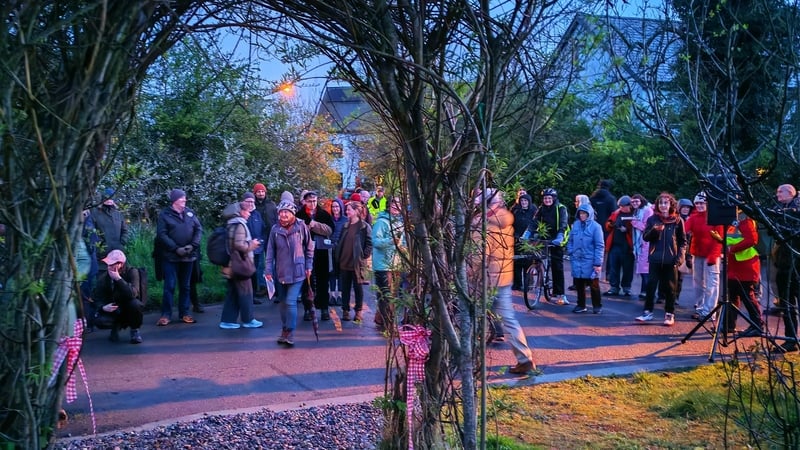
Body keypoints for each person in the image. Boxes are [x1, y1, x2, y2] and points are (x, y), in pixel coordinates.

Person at [471, 188, 535, 374]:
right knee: (508, 319)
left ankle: (469, 361)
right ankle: (525, 358)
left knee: (473, 318)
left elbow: (477, 257)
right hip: (504, 277)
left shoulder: (485, 225)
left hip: (485, 279)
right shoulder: (505, 220)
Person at [265, 192, 314, 346]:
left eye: (286, 212)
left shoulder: (301, 227)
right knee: (282, 303)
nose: (283, 215)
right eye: (281, 212)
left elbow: (309, 247)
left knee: (291, 302)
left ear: (292, 213)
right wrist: (267, 271)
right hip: (280, 272)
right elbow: (270, 252)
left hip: (298, 271)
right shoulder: (275, 229)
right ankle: (284, 329)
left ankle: (290, 332)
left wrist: (309, 266)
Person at [636, 192, 687, 326]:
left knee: (670, 288)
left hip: (671, 260)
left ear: (671, 205)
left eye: (666, 203)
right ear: (657, 205)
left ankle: (669, 314)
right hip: (655, 259)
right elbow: (646, 237)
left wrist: (680, 258)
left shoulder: (677, 220)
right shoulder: (652, 219)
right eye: (661, 203)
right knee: (651, 286)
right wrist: (655, 231)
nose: (663, 205)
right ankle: (647, 312)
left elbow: (683, 241)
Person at [710, 210, 762, 337]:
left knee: (747, 296)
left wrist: (731, 248)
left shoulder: (745, 219)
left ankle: (757, 325)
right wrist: (721, 241)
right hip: (735, 264)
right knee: (732, 296)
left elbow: (752, 240)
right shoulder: (734, 219)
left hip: (746, 264)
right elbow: (734, 239)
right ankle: (729, 326)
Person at [155, 189, 202, 326]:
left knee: (186, 286)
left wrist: (193, 245)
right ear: (174, 201)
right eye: (181, 199)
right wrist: (175, 248)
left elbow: (198, 229)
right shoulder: (165, 215)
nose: (184, 201)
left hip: (189, 256)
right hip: (171, 256)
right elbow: (161, 234)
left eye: (184, 199)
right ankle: (166, 314)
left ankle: (185, 313)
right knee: (169, 285)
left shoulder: (190, 212)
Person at [218, 199, 263, 329]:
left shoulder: (231, 223)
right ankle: (248, 319)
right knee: (246, 293)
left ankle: (227, 320)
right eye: (247, 211)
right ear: (241, 212)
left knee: (232, 293)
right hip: (240, 265)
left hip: (232, 265)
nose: (249, 214)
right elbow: (238, 244)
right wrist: (252, 245)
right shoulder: (239, 225)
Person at [522, 188, 570, 305]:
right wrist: (527, 233)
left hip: (558, 237)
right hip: (544, 237)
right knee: (535, 256)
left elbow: (563, 224)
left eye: (549, 198)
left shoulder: (561, 208)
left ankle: (561, 294)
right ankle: (537, 270)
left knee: (557, 265)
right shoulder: (541, 209)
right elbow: (534, 222)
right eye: (545, 198)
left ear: (554, 199)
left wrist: (559, 237)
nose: (547, 200)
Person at [684, 192, 723, 321]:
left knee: (712, 284)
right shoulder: (694, 218)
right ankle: (700, 308)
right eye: (697, 203)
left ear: (708, 203)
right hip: (698, 254)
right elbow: (684, 229)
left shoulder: (715, 218)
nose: (700, 205)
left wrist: (713, 256)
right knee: (698, 283)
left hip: (711, 255)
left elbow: (720, 238)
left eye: (702, 203)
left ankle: (709, 311)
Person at [296, 190, 335, 321]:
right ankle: (308, 308)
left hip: (321, 250)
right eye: (309, 201)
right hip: (305, 251)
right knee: (307, 281)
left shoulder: (324, 214)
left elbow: (330, 230)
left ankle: (324, 308)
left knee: (323, 280)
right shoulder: (299, 215)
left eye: (314, 201)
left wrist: (315, 225)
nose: (312, 203)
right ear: (304, 202)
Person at [770, 183, 800, 352]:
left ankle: (791, 339)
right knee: (787, 304)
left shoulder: (794, 212)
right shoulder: (780, 210)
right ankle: (791, 339)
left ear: (790, 192)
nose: (777, 195)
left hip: (795, 265)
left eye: (780, 191)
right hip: (784, 263)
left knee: (790, 303)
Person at [92, 250, 143, 344]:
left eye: (112, 264)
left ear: (121, 264)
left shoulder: (132, 272)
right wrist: (103, 307)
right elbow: (97, 298)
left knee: (135, 304)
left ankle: (134, 329)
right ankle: (115, 326)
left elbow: (133, 293)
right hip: (114, 307)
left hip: (128, 305)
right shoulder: (103, 277)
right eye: (108, 264)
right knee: (100, 320)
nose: (109, 266)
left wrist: (118, 278)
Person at [335, 200, 373, 322]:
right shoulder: (346, 226)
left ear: (356, 211)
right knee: (345, 288)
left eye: (349, 210)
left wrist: (364, 255)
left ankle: (358, 311)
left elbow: (369, 243)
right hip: (344, 262)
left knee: (358, 288)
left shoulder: (364, 227)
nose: (347, 212)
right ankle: (345, 310)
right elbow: (340, 240)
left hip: (357, 263)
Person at [372, 196, 406, 331]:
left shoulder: (399, 222)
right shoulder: (381, 222)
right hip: (383, 264)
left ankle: (380, 319)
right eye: (393, 203)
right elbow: (375, 241)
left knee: (392, 294)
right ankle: (389, 325)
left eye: (399, 203)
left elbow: (401, 242)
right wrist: (390, 241)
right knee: (387, 296)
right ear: (388, 205)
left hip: (395, 263)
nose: (396, 206)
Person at [567, 203, 605, 314]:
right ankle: (581, 305)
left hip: (590, 260)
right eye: (580, 213)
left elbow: (599, 245)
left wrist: (597, 263)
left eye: (584, 213)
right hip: (577, 259)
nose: (582, 215)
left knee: (594, 284)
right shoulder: (576, 225)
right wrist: (571, 251)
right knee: (579, 284)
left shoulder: (596, 227)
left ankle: (597, 305)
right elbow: (570, 240)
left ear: (590, 214)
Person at [604, 195, 635, 297]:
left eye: (623, 206)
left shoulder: (634, 215)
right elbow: (608, 225)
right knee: (614, 267)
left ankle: (626, 287)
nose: (621, 208)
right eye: (620, 206)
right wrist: (611, 225)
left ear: (628, 205)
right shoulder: (616, 213)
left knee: (628, 268)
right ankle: (614, 287)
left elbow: (637, 230)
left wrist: (627, 230)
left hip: (628, 246)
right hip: (615, 245)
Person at [242, 192, 268, 303]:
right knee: (245, 273)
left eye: (252, 201)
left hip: (257, 250)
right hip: (245, 250)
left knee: (254, 272)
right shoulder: (241, 214)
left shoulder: (257, 214)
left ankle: (252, 296)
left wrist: (261, 241)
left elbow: (263, 229)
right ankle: (245, 297)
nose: (251, 204)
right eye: (248, 201)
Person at [252, 183, 277, 299]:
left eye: (262, 191)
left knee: (271, 263)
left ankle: (273, 287)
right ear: (255, 193)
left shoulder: (271, 205)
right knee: (260, 264)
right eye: (258, 192)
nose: (261, 193)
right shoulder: (253, 206)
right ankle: (262, 287)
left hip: (271, 236)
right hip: (258, 237)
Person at [91, 187, 128, 258]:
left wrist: (122, 242)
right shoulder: (94, 213)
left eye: (111, 198)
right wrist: (100, 244)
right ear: (103, 198)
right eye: (106, 198)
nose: (109, 200)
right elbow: (91, 231)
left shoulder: (118, 214)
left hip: (118, 252)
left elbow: (125, 230)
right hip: (102, 254)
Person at [511, 192, 536, 291]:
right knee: (517, 262)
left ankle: (527, 284)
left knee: (527, 262)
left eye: (525, 200)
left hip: (529, 239)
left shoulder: (534, 210)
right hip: (516, 238)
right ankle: (517, 283)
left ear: (529, 201)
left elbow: (536, 223)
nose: (523, 202)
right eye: (522, 201)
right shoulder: (516, 210)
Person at [630, 194, 653, 299]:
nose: (634, 203)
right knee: (643, 269)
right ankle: (645, 291)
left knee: (645, 270)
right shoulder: (637, 211)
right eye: (633, 202)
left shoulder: (647, 210)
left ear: (641, 201)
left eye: (637, 201)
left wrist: (635, 223)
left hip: (646, 243)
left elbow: (648, 227)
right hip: (640, 244)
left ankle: (646, 292)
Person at [328, 197, 348, 307]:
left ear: (341, 207)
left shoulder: (345, 220)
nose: (335, 208)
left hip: (342, 250)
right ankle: (331, 295)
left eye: (337, 206)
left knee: (340, 273)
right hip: (330, 249)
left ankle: (339, 295)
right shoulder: (329, 219)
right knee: (331, 273)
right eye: (333, 206)